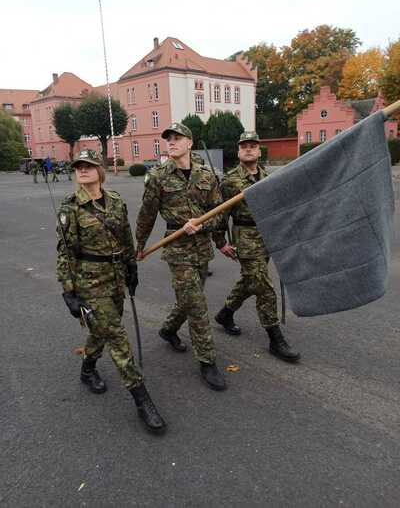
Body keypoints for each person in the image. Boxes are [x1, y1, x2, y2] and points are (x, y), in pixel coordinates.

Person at [56, 149, 166, 433]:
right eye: (78, 166)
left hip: (116, 276)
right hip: (90, 282)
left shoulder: (115, 201)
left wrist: (132, 268)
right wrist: (68, 290)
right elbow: (65, 253)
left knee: (102, 329)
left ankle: (87, 368)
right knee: (117, 336)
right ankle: (142, 399)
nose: (82, 170)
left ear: (100, 170)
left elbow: (126, 237)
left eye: (88, 165)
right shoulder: (70, 207)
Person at [135, 123, 235, 391]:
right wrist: (139, 245)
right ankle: (207, 360)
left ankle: (168, 330)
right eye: (168, 139)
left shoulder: (207, 175)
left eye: (177, 138)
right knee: (197, 305)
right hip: (177, 248)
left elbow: (218, 213)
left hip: (202, 248)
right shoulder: (158, 176)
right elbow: (146, 214)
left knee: (188, 300)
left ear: (190, 143)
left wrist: (212, 234)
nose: (171, 142)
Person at [215, 131, 301, 363]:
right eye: (244, 146)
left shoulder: (267, 177)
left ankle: (225, 314)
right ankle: (275, 338)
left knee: (250, 281)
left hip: (266, 238)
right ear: (238, 151)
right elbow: (220, 214)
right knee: (263, 286)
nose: (249, 149)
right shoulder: (230, 180)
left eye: (253, 145)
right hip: (245, 238)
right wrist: (221, 242)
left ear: (259, 150)